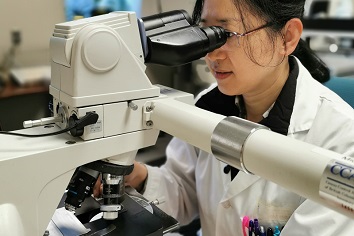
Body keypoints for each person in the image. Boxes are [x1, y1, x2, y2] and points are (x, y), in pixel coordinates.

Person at [95, 0, 354, 235]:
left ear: (287, 37)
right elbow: (184, 191)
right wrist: (137, 176)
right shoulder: (208, 103)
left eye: (227, 34)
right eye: (206, 33)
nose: (212, 53)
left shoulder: (341, 139)